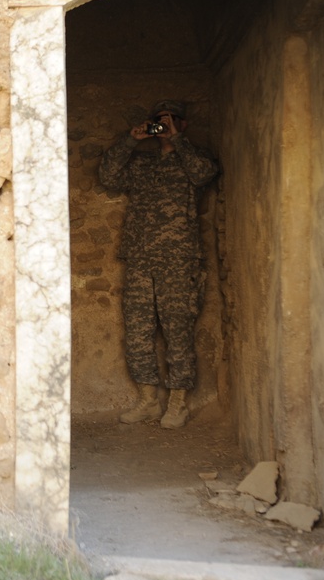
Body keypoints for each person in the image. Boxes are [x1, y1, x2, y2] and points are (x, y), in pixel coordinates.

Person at [98, 99, 218, 429]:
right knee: (137, 332)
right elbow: (108, 176)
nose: (163, 126)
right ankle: (148, 401)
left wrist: (176, 140)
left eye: (170, 120)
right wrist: (130, 140)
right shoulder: (141, 164)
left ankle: (177, 403)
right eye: (159, 122)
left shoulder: (193, 160)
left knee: (178, 333)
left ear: (183, 124)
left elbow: (205, 173)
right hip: (140, 261)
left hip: (179, 262)